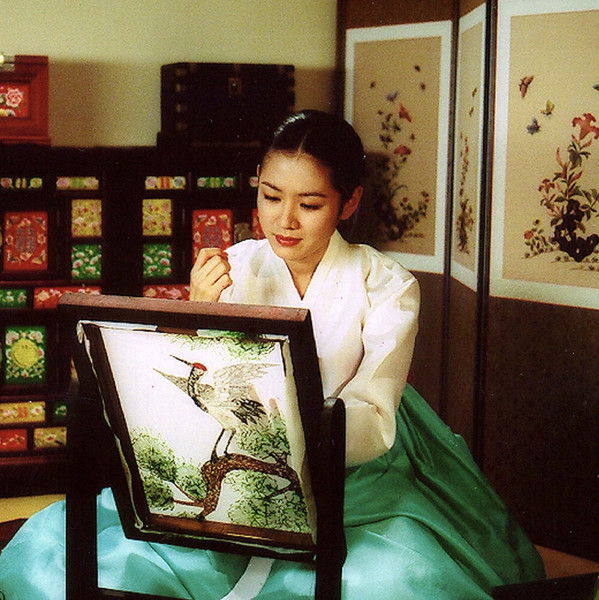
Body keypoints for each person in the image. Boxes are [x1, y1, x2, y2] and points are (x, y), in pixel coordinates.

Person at [0, 110, 544, 600]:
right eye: (270, 196)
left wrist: (291, 446)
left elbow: (374, 414)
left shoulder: (385, 284)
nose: (285, 221)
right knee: (81, 557)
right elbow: (194, 392)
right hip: (238, 459)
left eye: (310, 204)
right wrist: (198, 310)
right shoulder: (235, 265)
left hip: (350, 466)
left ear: (349, 202)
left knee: (389, 582)